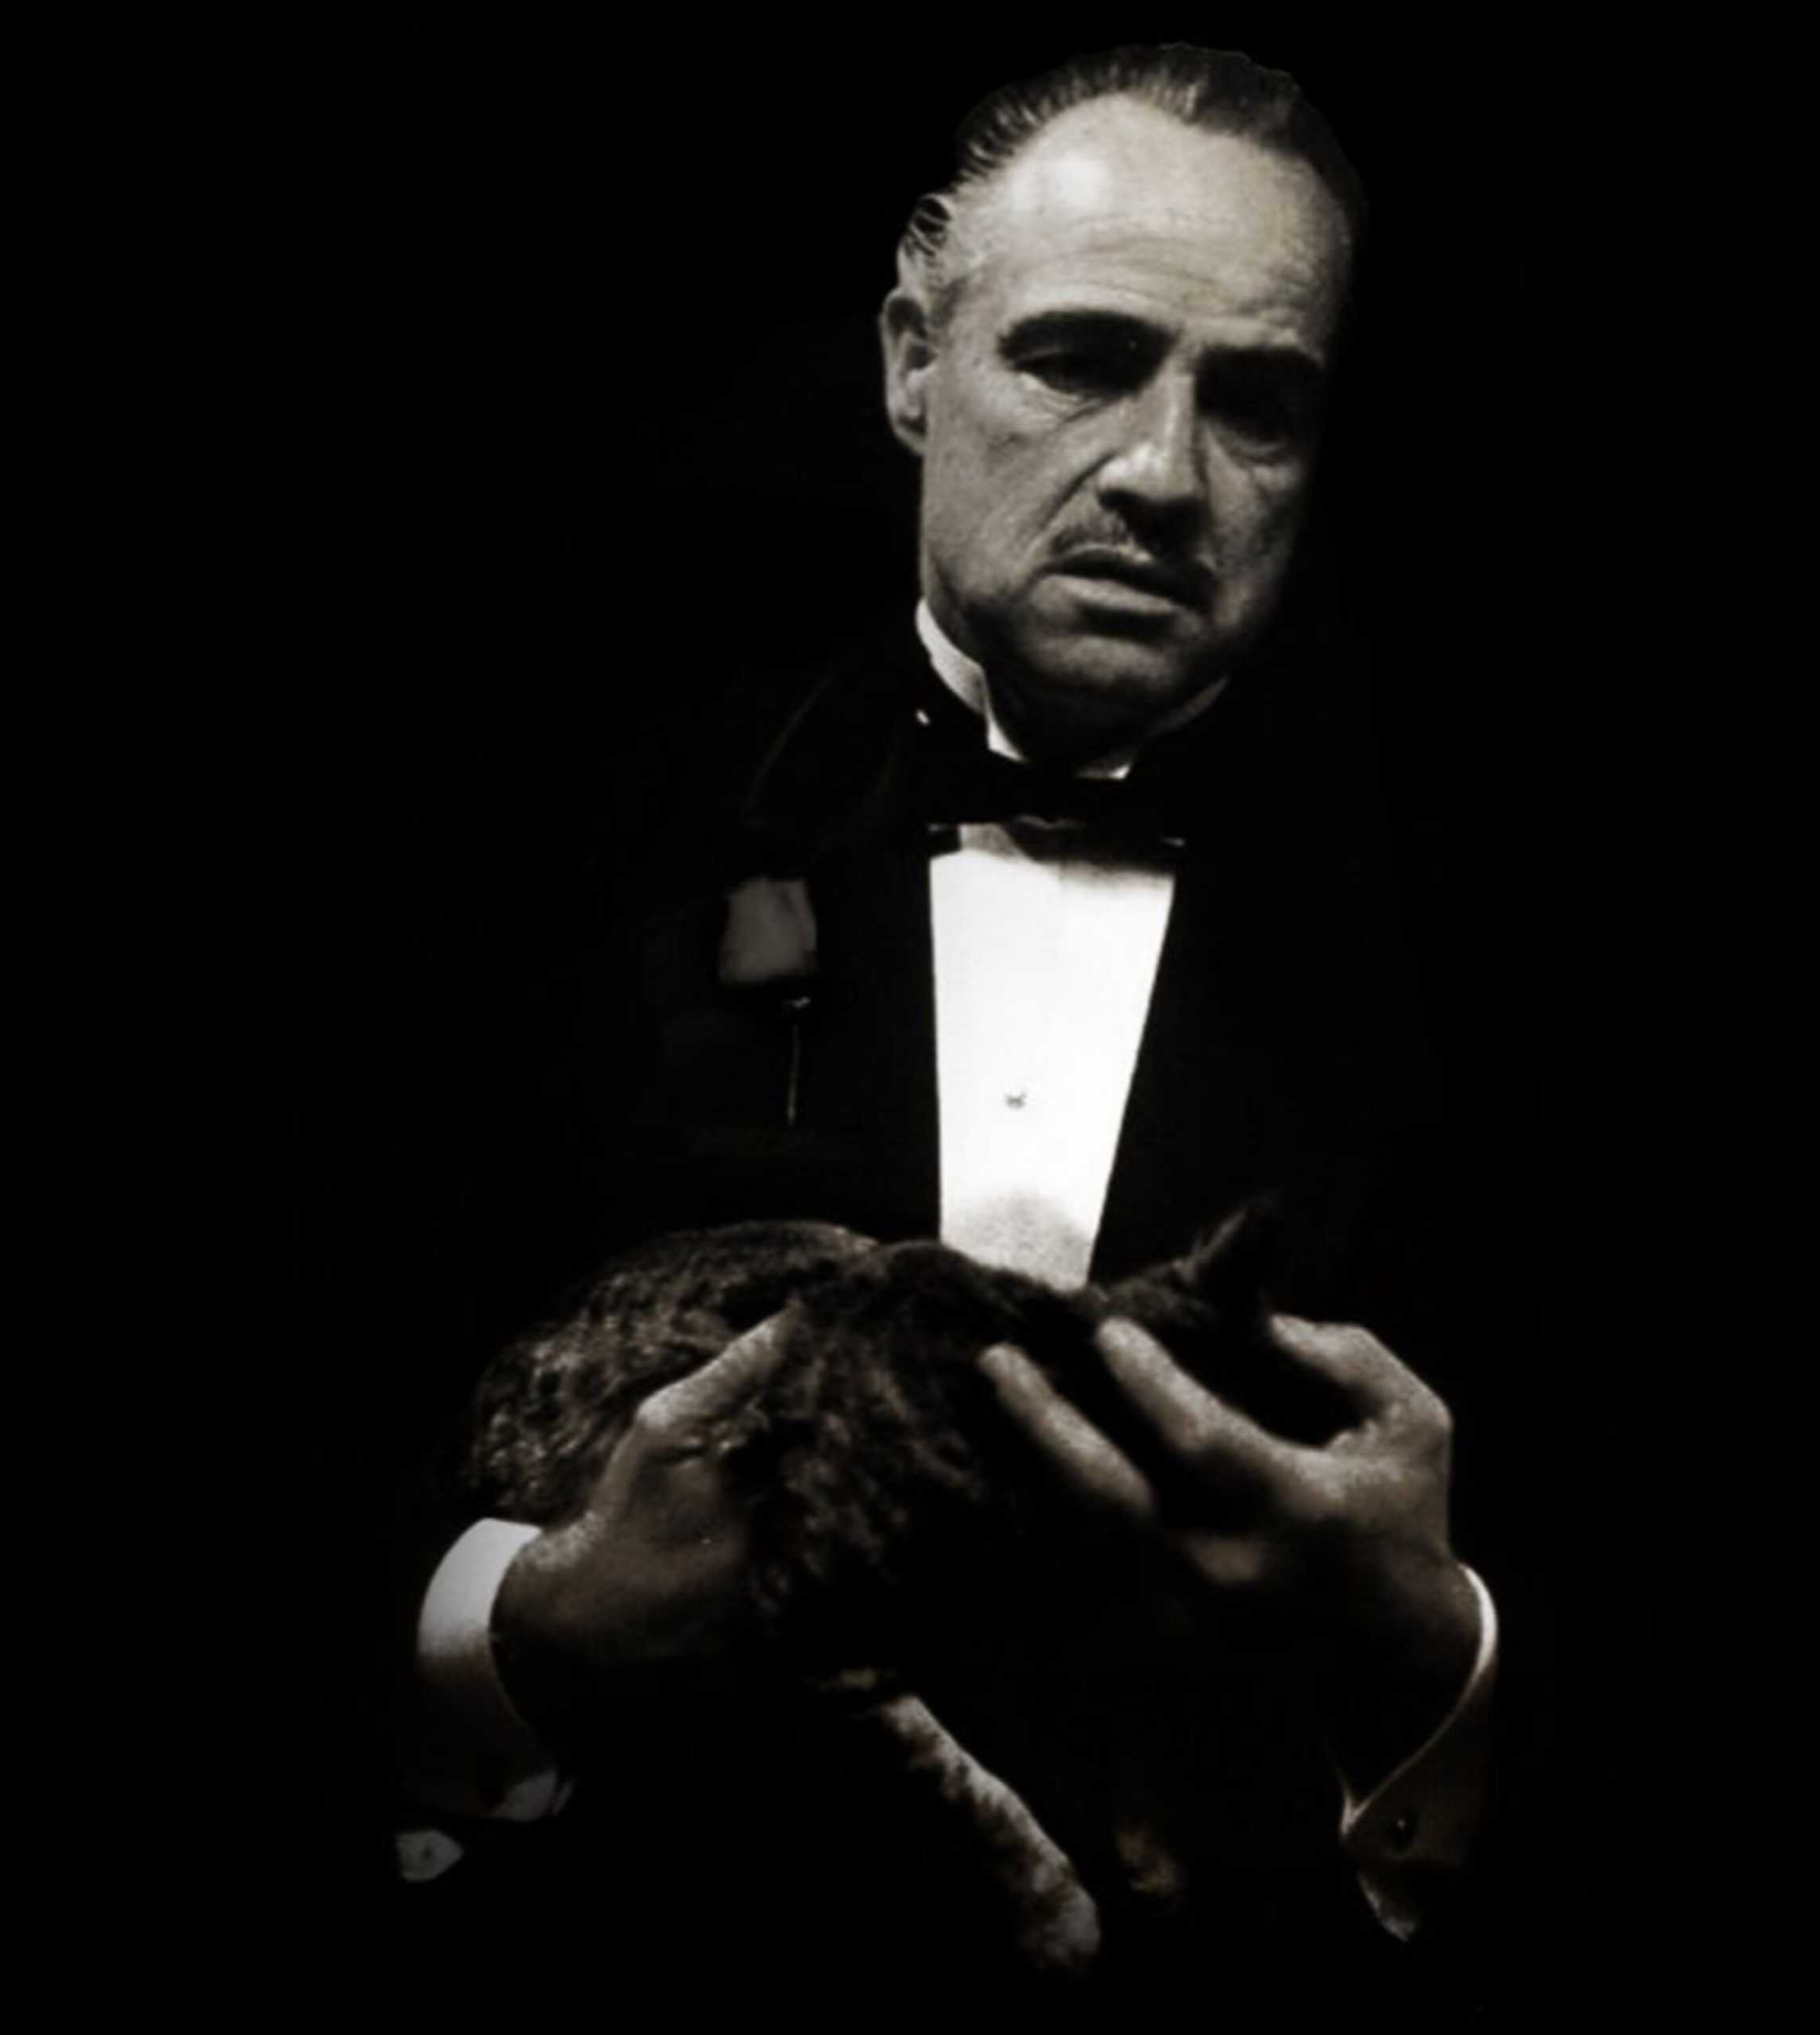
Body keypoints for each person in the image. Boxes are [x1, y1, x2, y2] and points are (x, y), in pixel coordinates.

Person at [374, 43, 1521, 2014]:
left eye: (1254, 401)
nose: (1162, 476)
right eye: (1078, 360)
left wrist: (1432, 1642)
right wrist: (524, 1629)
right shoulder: (555, 845)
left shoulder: (1463, 953)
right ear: (914, 364)